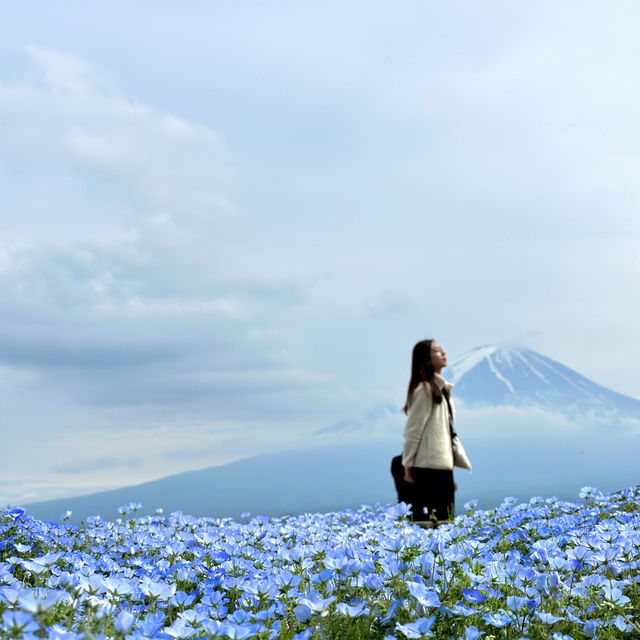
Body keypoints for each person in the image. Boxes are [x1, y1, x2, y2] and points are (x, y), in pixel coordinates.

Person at [401, 339, 472, 523]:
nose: (444, 353)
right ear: (426, 360)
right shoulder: (424, 389)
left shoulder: (442, 389)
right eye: (438, 351)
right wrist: (408, 468)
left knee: (444, 523)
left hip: (442, 466)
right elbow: (413, 431)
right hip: (426, 469)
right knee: (432, 524)